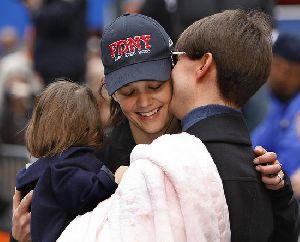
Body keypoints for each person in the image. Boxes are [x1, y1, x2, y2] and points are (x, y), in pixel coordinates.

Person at [11, 13, 293, 242]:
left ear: (175, 73)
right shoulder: (91, 164)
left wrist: (278, 194)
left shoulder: (208, 146)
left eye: (155, 86)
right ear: (110, 92)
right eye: (128, 92)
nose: (145, 102)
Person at [169, 9, 299, 241]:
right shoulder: (268, 181)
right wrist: (281, 195)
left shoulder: (165, 163)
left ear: (203, 65)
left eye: (176, 58)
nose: (170, 71)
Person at [14, 80, 117, 242]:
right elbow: (90, 194)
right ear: (88, 126)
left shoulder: (33, 174)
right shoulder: (66, 169)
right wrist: (112, 177)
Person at [252, 32, 300, 199]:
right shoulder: (280, 104)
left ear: (287, 70)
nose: (269, 74)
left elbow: (290, 170)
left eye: (274, 66)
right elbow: (256, 144)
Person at [22, 0, 87, 85]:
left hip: (64, 67)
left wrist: (37, 8)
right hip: (48, 68)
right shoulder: (47, 6)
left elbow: (55, 19)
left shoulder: (65, 6)